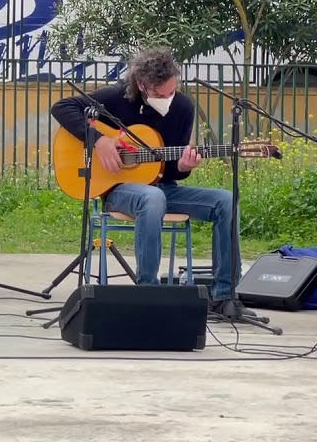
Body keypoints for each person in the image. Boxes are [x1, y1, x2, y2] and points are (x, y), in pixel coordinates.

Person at [50, 47, 246, 318]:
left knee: (226, 200)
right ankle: (148, 293)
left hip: (163, 188)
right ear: (142, 85)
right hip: (119, 190)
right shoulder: (117, 98)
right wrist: (100, 140)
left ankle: (224, 295)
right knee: (152, 199)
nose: (167, 98)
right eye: (160, 94)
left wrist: (183, 167)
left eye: (171, 92)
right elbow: (62, 107)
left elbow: (172, 172)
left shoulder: (182, 108)